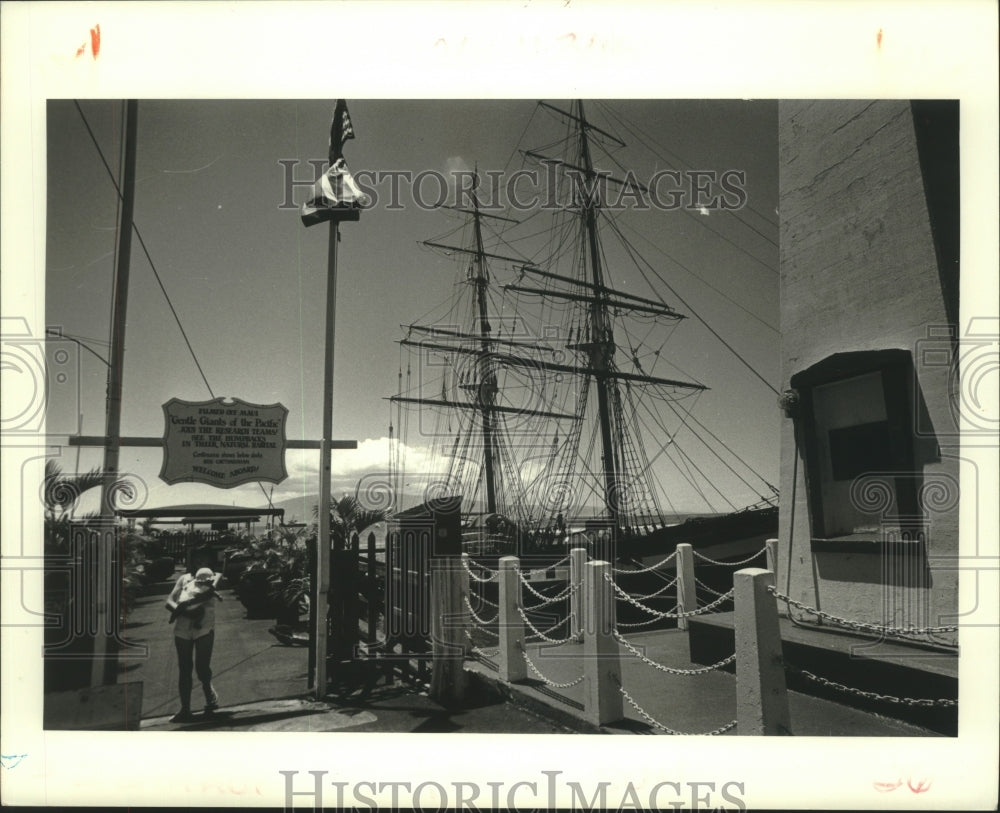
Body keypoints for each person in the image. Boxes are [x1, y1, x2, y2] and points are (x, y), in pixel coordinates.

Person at [165, 565, 222, 722]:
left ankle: (208, 690)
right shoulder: (183, 579)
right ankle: (185, 709)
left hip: (204, 627)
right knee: (184, 668)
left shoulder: (213, 576)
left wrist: (183, 606)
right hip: (183, 627)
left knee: (202, 668)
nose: (199, 560)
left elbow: (208, 592)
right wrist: (184, 610)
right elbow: (169, 601)